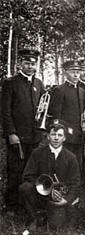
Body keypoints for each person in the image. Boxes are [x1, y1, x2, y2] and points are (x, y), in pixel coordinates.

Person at [1, 48, 45, 211]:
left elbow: (42, 108)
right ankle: (12, 205)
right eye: (27, 63)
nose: (30, 66)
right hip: (17, 136)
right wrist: (11, 133)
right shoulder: (10, 82)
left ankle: (27, 203)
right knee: (15, 170)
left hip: (34, 136)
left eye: (33, 64)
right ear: (20, 63)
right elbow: (5, 111)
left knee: (31, 170)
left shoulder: (39, 83)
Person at [19, 120, 81, 229]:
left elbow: (75, 183)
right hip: (40, 194)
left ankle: (48, 215)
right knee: (25, 187)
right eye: (53, 134)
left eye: (60, 135)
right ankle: (34, 217)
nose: (56, 138)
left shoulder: (71, 158)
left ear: (64, 138)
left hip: (59, 198)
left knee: (55, 225)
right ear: (48, 136)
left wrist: (65, 200)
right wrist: (47, 190)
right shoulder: (37, 153)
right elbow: (27, 176)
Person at [49, 59, 85, 170]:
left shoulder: (81, 90)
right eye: (72, 71)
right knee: (64, 163)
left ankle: (74, 186)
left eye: (78, 72)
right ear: (65, 72)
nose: (76, 74)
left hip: (79, 134)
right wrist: (63, 133)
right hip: (65, 135)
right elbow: (56, 116)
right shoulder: (59, 90)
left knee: (77, 163)